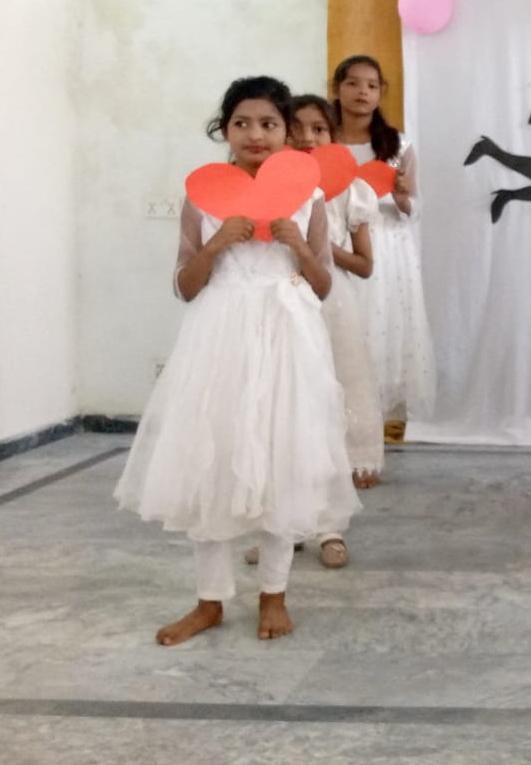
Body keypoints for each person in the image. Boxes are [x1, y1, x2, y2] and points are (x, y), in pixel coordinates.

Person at [115, 76, 359, 644]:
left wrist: (295, 243)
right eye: (241, 123)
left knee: (281, 459)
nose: (255, 134)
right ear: (224, 129)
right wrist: (217, 241)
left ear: (287, 133)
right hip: (218, 340)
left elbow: (323, 285)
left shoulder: (309, 197)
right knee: (211, 459)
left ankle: (274, 594)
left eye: (269, 124)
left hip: (287, 339)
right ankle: (209, 601)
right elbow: (186, 286)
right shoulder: (203, 197)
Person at [331, 56, 436, 441]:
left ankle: (369, 429)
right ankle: (330, 422)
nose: (362, 92)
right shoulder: (323, 139)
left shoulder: (397, 144)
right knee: (337, 326)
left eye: (371, 85)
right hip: (336, 239)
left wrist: (403, 195)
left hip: (386, 246)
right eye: (353, 83)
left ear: (380, 93)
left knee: (377, 330)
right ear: (337, 89)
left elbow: (415, 208)